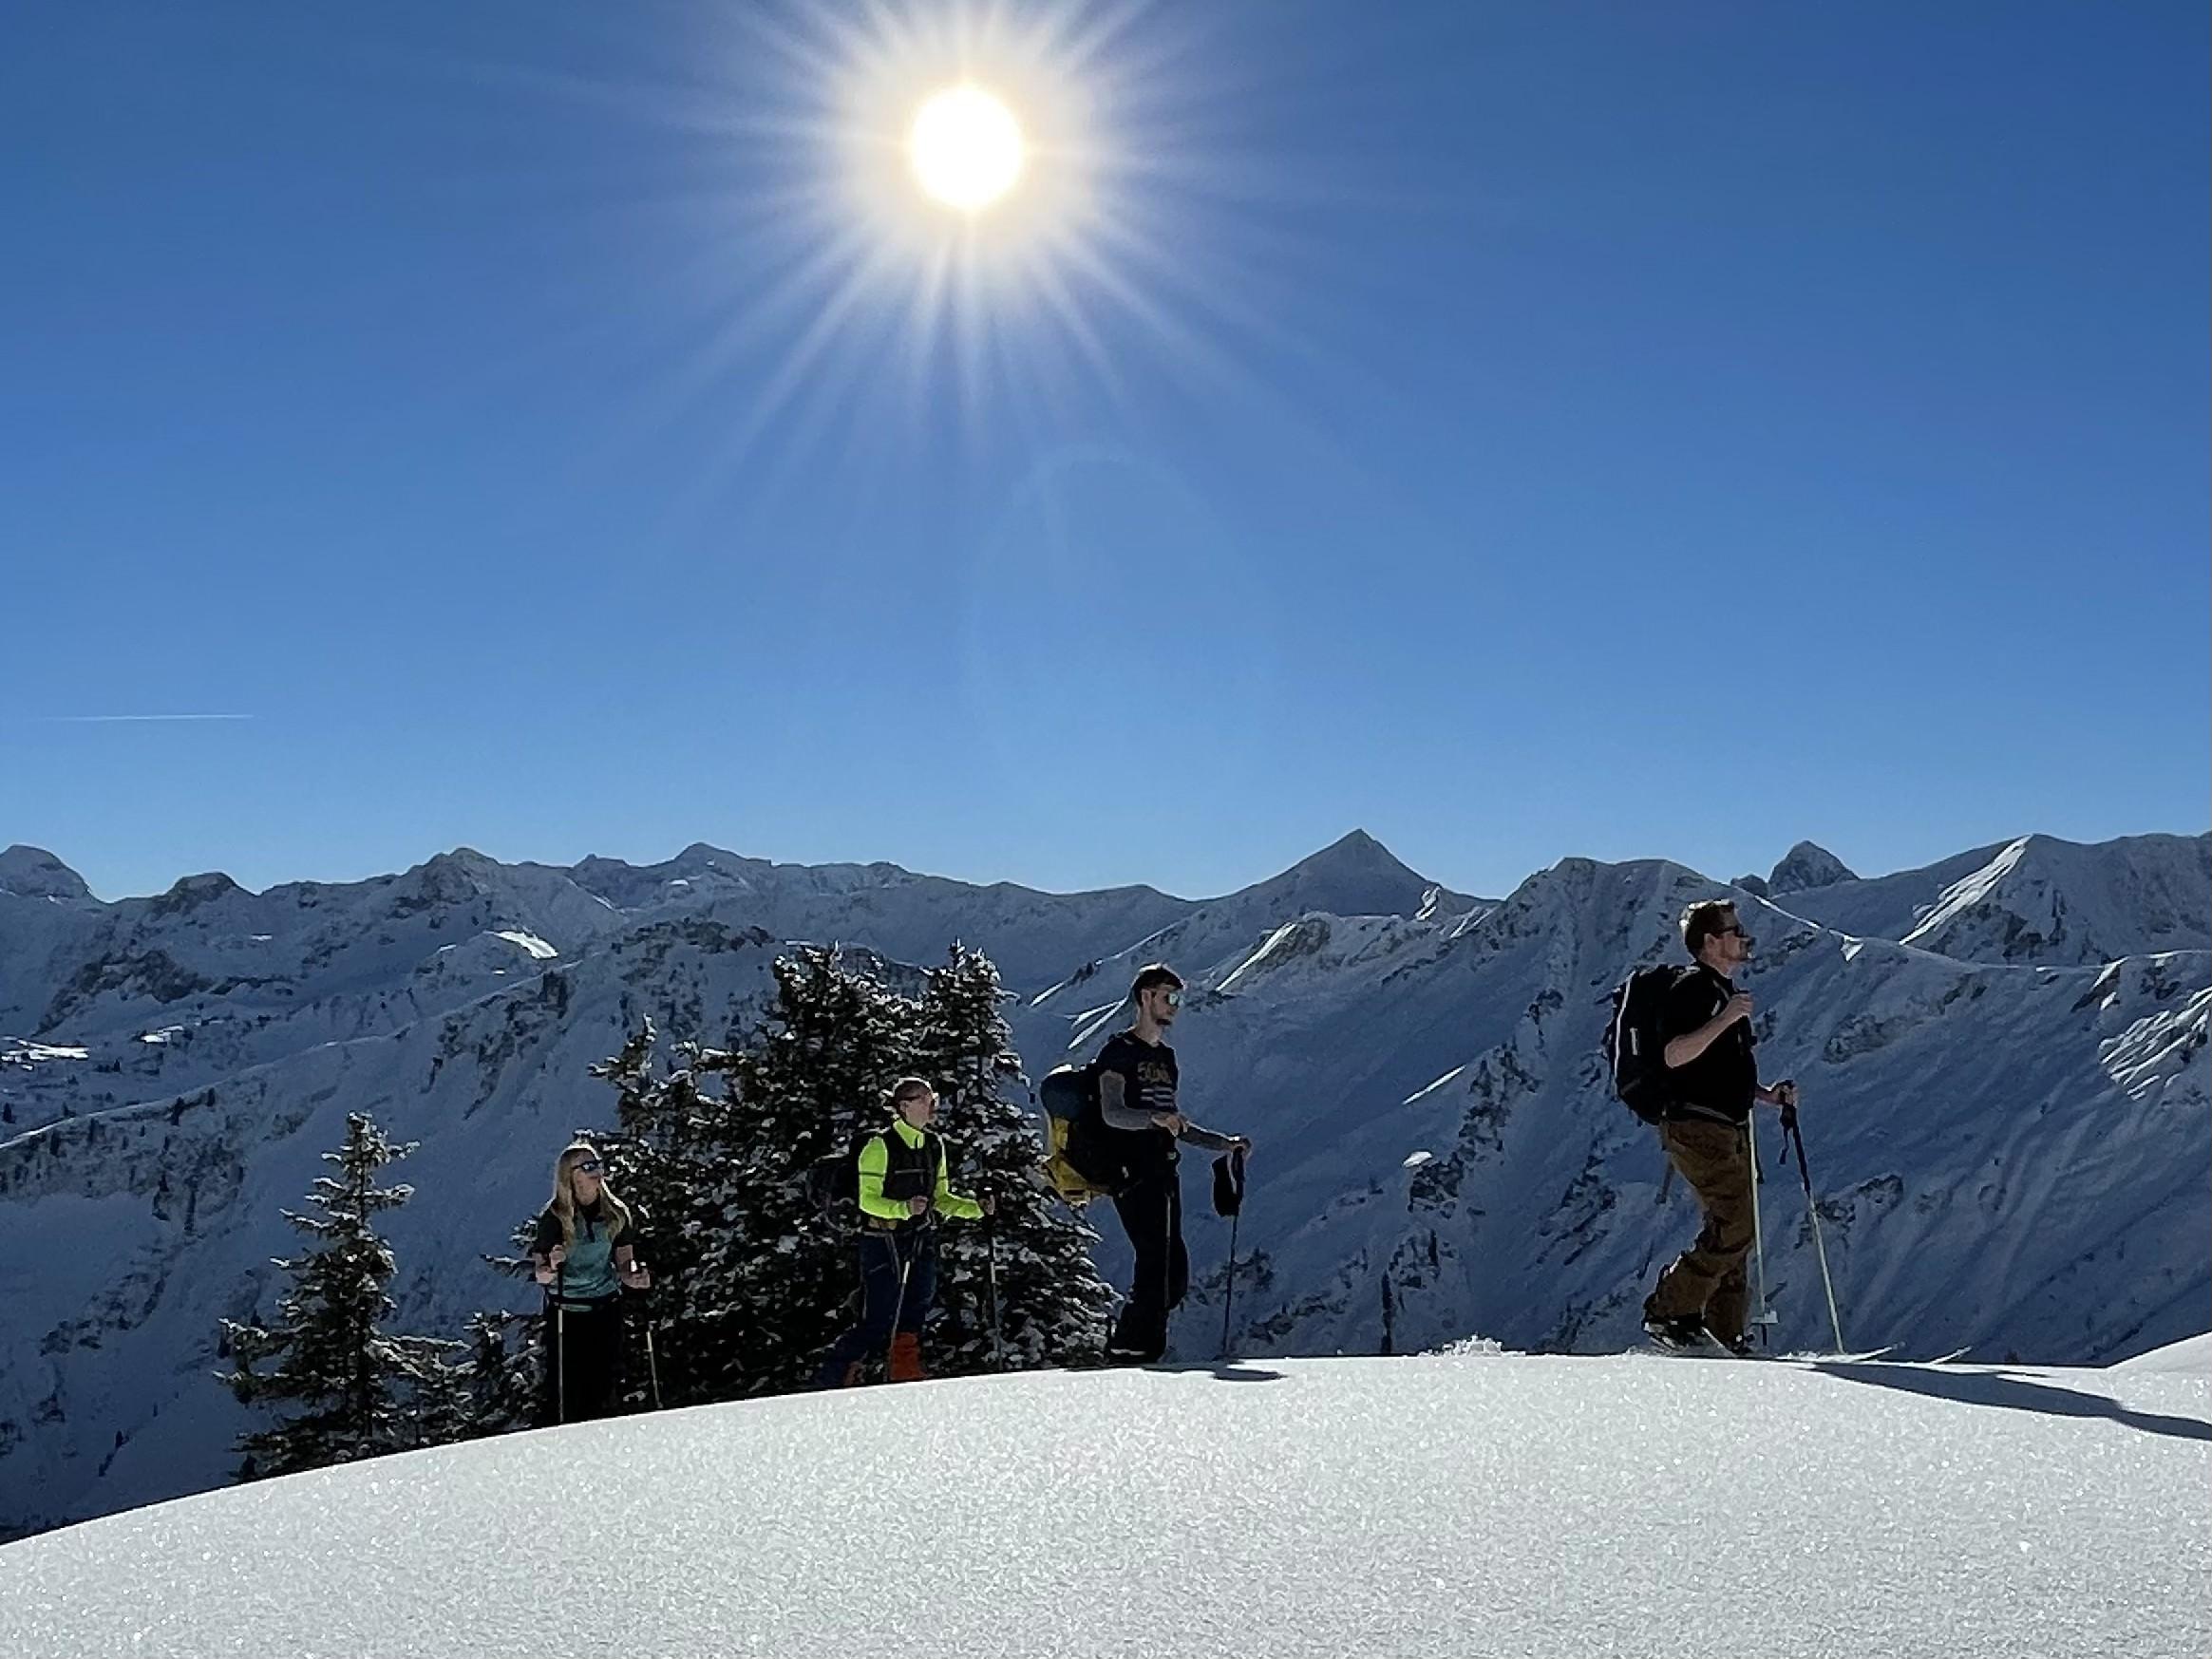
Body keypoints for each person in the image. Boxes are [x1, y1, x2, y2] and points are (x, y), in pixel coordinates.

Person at [1641, 899, 1801, 1355]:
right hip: (1698, 1126)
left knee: (1733, 1226)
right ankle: (1670, 1308)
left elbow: (1715, 1069)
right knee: (1736, 1222)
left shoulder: (1718, 992)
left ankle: (1723, 1333)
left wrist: (1768, 1096)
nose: (1743, 937)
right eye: (1733, 930)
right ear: (1710, 942)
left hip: (1724, 1125)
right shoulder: (1695, 989)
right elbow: (1674, 1055)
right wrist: (1728, 1017)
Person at [1091, 964, 1252, 1366]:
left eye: (1178, 998)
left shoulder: (1166, 1058)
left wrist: (1222, 1144)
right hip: (1130, 1171)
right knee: (1156, 1264)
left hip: (1163, 1170)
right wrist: (1153, 1120)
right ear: (1146, 997)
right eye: (1169, 997)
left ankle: (1134, 1350)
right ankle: (1135, 1353)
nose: (1175, 1006)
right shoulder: (1118, 1052)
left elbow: (1175, 1121)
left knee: (1171, 1271)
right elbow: (1112, 1113)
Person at [815, 1078, 993, 1387]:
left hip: (919, 1235)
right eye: (924, 1099)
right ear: (904, 1106)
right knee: (880, 1315)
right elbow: (867, 1200)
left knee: (916, 1305)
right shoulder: (878, 1146)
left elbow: (940, 1197)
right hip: (882, 1239)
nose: (931, 1105)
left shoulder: (933, 1145)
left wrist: (977, 1209)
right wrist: (903, 1209)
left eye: (932, 1098)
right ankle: (834, 1377)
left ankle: (902, 1372)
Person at [531, 1141, 650, 1422]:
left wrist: (633, 1275)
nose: (597, 1171)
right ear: (571, 1175)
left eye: (597, 1164)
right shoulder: (554, 1219)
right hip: (567, 1312)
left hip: (606, 1305)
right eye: (588, 1166)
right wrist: (552, 1264)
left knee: (605, 1382)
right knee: (569, 1389)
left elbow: (623, 1261)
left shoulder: (616, 1213)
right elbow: (541, 1274)